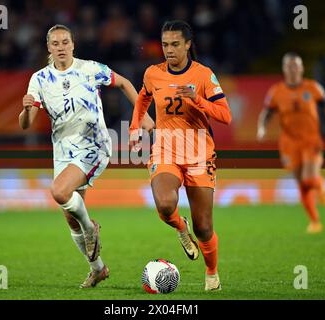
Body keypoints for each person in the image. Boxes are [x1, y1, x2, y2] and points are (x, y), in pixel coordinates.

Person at [19, 24, 154, 288]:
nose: (61, 47)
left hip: (93, 145)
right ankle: (98, 269)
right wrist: (25, 111)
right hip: (63, 151)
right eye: (55, 43)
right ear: (48, 48)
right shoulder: (39, 79)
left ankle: (91, 228)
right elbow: (26, 123)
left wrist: (143, 115)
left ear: (73, 44)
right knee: (70, 216)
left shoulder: (90, 69)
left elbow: (125, 83)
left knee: (59, 192)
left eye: (65, 42)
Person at [129, 20, 232, 291]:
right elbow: (142, 99)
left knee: (204, 228)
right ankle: (178, 226)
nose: (169, 50)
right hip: (166, 148)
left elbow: (225, 116)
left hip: (198, 151)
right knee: (164, 204)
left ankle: (211, 273)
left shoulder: (203, 75)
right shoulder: (153, 73)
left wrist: (198, 99)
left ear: (188, 44)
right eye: (165, 44)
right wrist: (134, 128)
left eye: (175, 44)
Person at [257, 52, 325, 234]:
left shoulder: (313, 87)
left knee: (309, 177)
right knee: (301, 183)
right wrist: (262, 128)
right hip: (289, 142)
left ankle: (320, 185)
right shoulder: (276, 91)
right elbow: (267, 113)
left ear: (302, 68)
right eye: (289, 66)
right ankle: (315, 221)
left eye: (296, 65)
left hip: (311, 140)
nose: (293, 69)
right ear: (284, 69)